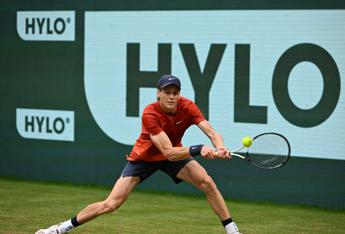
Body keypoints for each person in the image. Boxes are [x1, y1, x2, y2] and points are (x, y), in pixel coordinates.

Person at [35, 74, 240, 234]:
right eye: (167, 92)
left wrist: (220, 147)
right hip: (145, 158)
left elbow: (211, 132)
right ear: (158, 93)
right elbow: (167, 152)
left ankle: (231, 229)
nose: (171, 96)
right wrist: (199, 149)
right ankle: (61, 228)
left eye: (175, 92)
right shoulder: (150, 113)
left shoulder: (187, 106)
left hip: (175, 154)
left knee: (207, 182)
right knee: (111, 204)